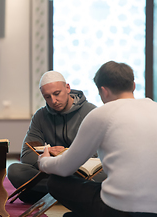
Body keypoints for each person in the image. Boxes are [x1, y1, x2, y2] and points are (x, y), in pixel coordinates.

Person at [38, 61, 157, 217]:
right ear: (134, 86)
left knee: (56, 182)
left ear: (103, 90)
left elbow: (64, 169)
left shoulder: (101, 114)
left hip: (121, 214)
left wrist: (44, 162)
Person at [7, 70, 97, 203]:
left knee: (104, 174)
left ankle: (48, 192)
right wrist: (48, 157)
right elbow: (26, 155)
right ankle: (67, 192)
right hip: (53, 172)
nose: (53, 101)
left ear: (67, 88)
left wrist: (64, 155)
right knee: (15, 171)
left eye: (56, 94)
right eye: (47, 97)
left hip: (79, 172)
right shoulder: (40, 116)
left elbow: (96, 155)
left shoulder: (91, 113)